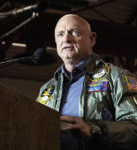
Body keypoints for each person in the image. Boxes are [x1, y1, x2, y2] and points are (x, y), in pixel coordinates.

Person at [36, 14, 137, 150]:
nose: (66, 38)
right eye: (60, 34)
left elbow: (134, 126)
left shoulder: (117, 77)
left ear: (92, 39)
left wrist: (93, 130)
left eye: (74, 32)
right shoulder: (46, 89)